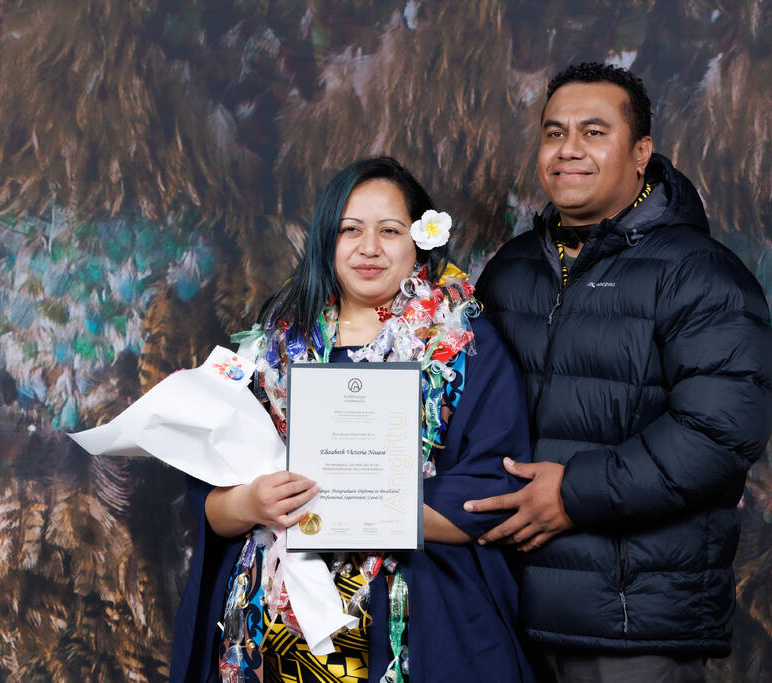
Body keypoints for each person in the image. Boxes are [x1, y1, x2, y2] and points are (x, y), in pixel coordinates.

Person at [466, 63, 772, 682]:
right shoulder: (511, 270)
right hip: (507, 611)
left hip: (635, 626)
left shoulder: (700, 275)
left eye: (593, 132)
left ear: (641, 153)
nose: (569, 151)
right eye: (554, 134)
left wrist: (572, 494)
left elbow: (717, 434)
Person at [171, 157, 536, 683]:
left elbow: (489, 489)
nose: (369, 248)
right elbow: (209, 503)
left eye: (389, 230)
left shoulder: (463, 346)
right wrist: (253, 501)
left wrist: (364, 510)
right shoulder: (276, 344)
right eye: (350, 230)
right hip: (275, 622)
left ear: (420, 241)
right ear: (327, 240)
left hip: (416, 622)